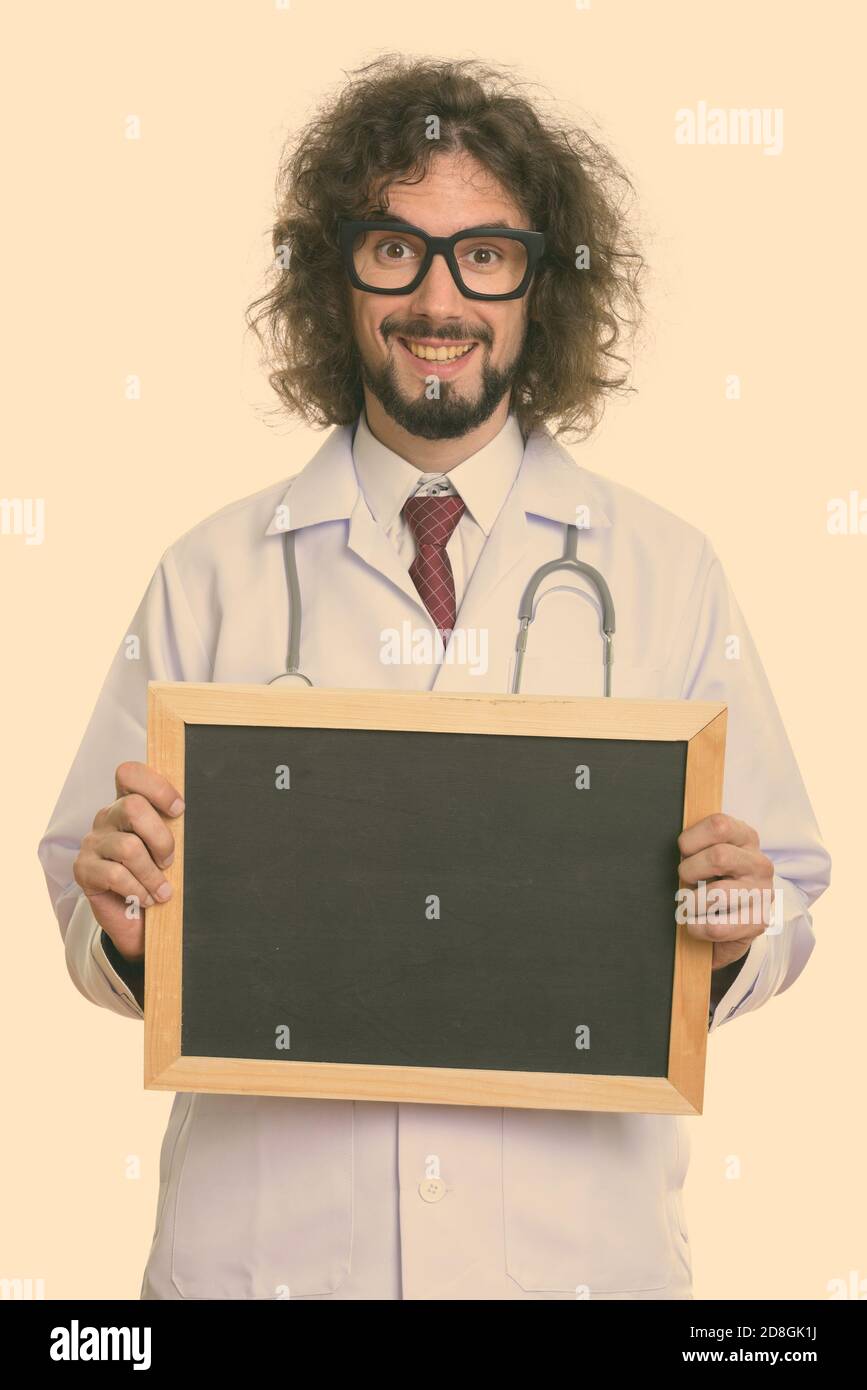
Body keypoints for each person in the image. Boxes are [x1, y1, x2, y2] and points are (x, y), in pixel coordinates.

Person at [37, 54, 830, 1301]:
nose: (439, 296)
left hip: (577, 1265)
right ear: (335, 276)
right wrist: (125, 932)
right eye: (395, 249)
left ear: (539, 286)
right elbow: (83, 903)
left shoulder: (670, 572)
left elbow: (788, 901)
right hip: (271, 1263)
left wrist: (740, 926)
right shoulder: (207, 575)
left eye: (486, 254)